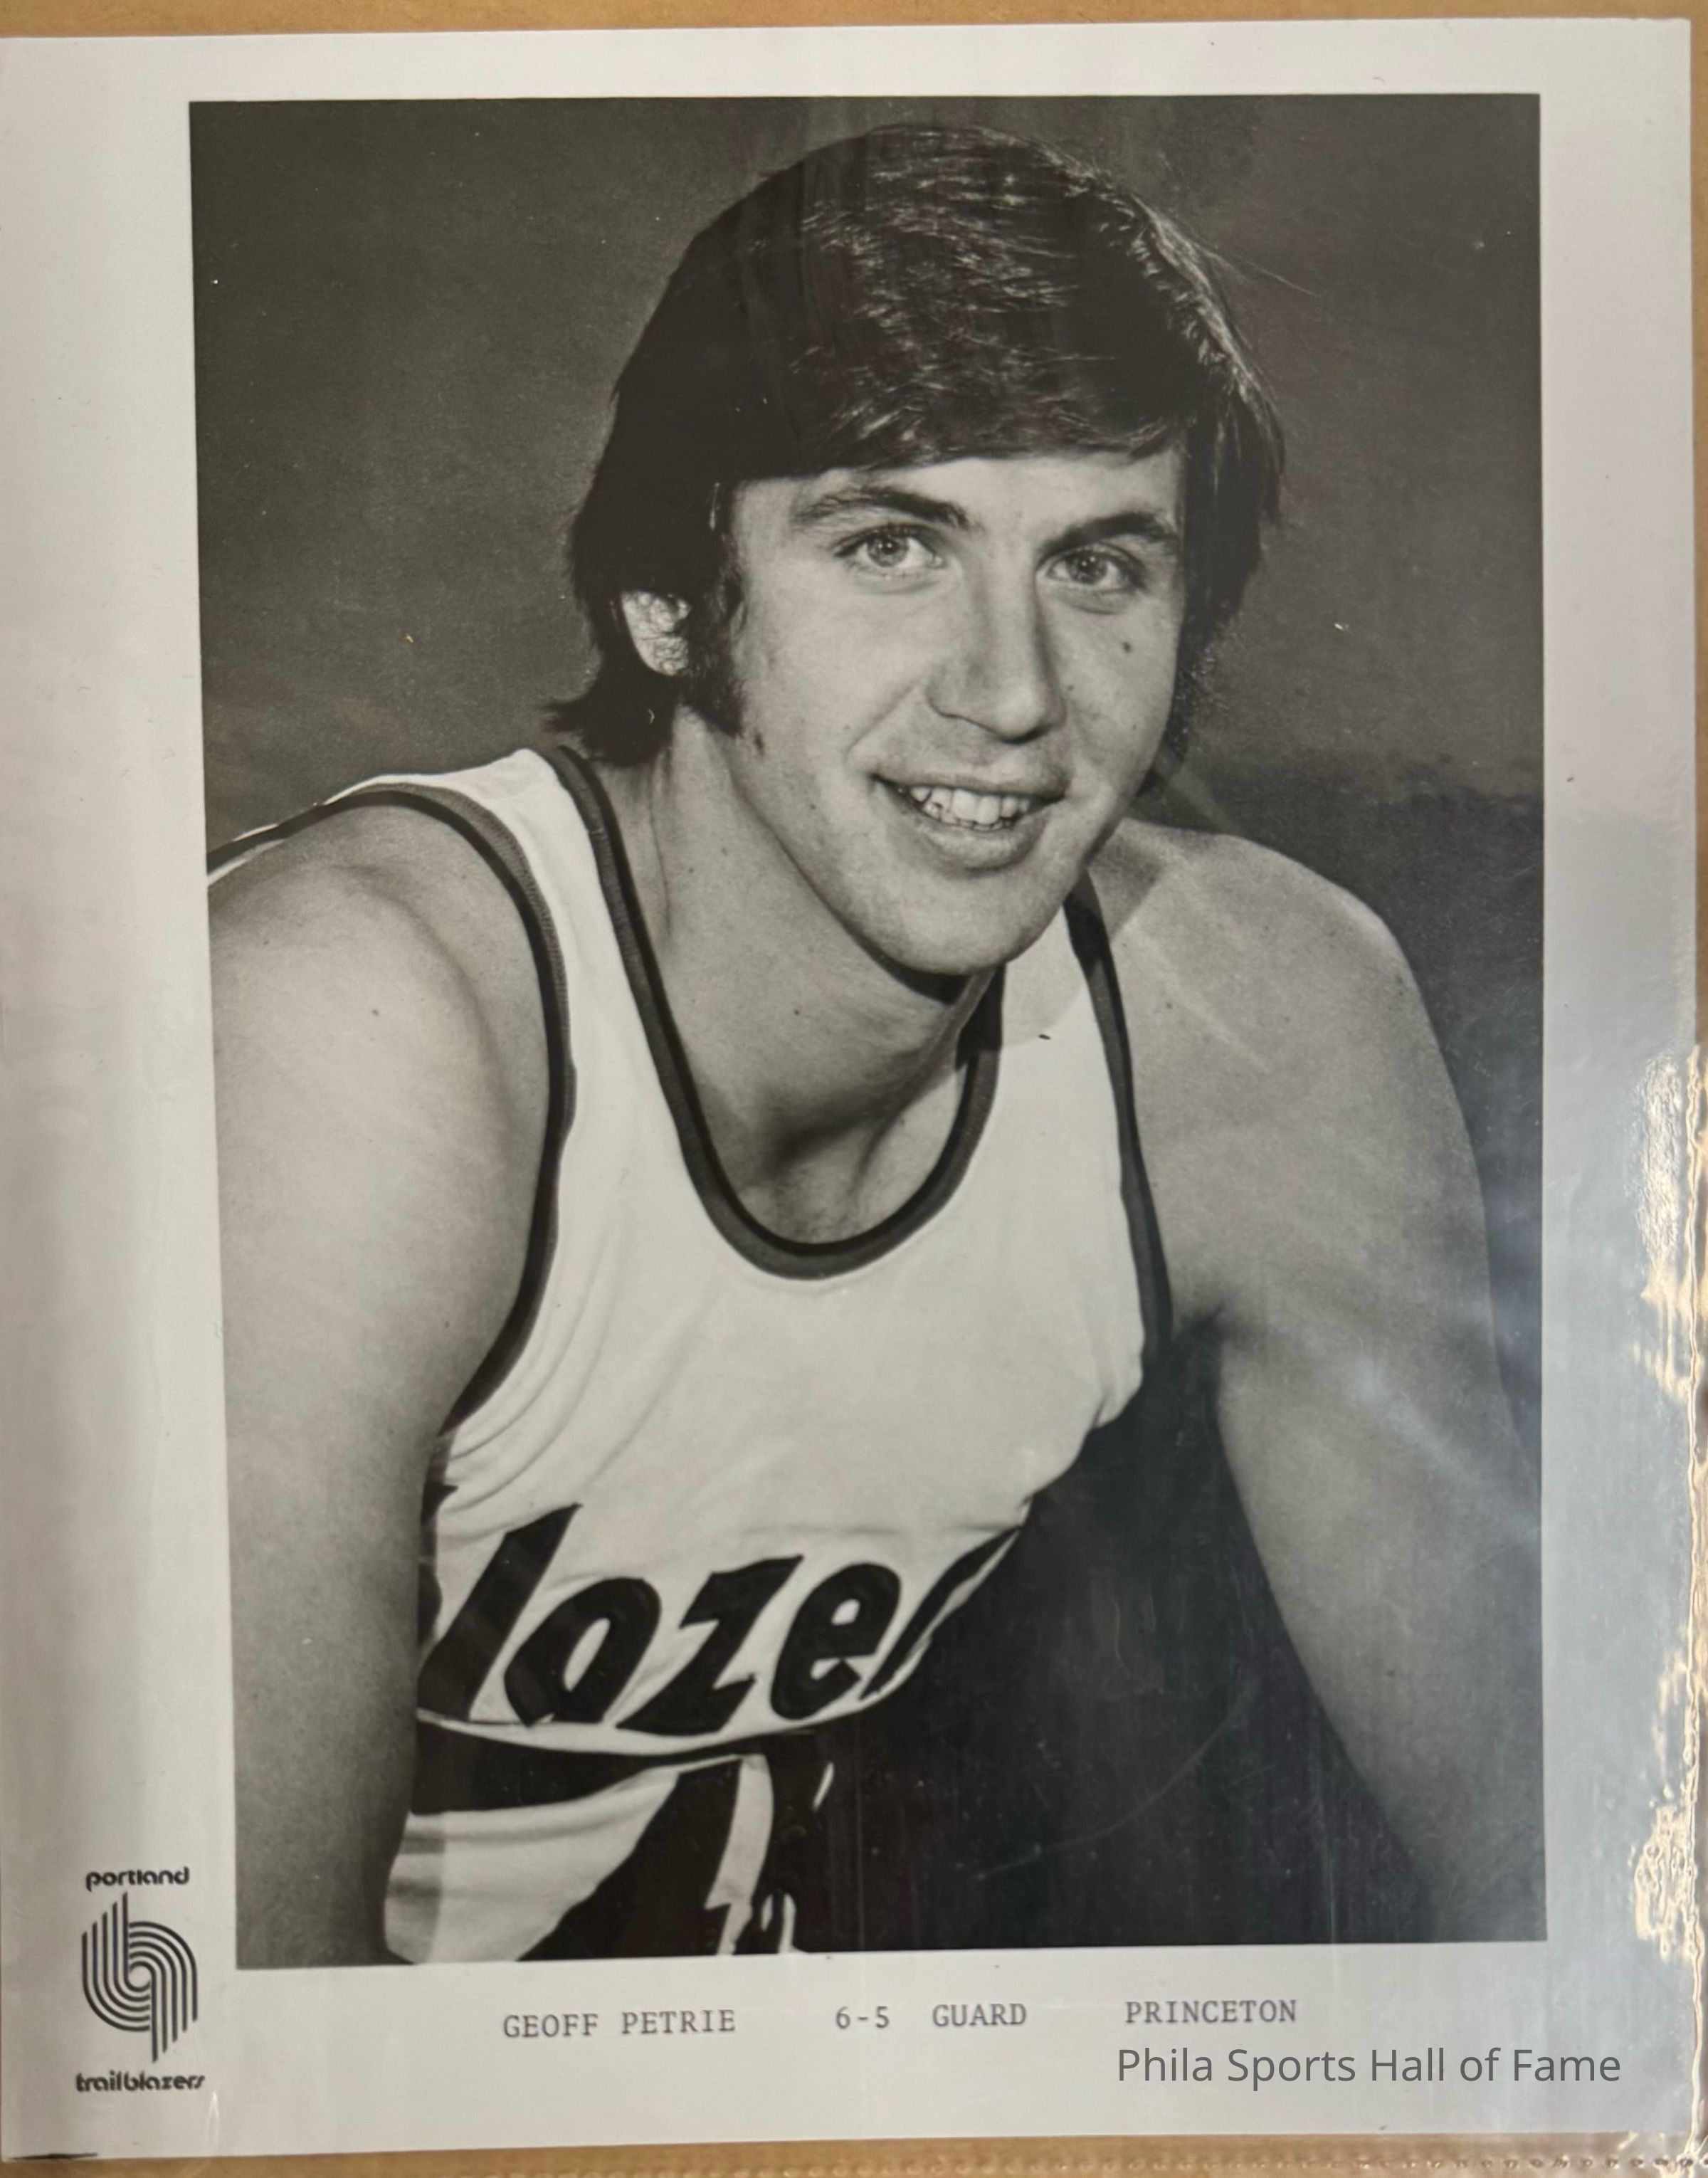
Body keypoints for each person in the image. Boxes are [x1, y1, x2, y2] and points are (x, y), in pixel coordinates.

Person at [211, 123, 1541, 1967]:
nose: (1011, 691)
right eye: (892, 544)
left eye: (1098, 567)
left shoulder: (1257, 1022)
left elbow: (1577, 1891)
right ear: (670, 599)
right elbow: (224, 2041)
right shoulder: (354, 1027)